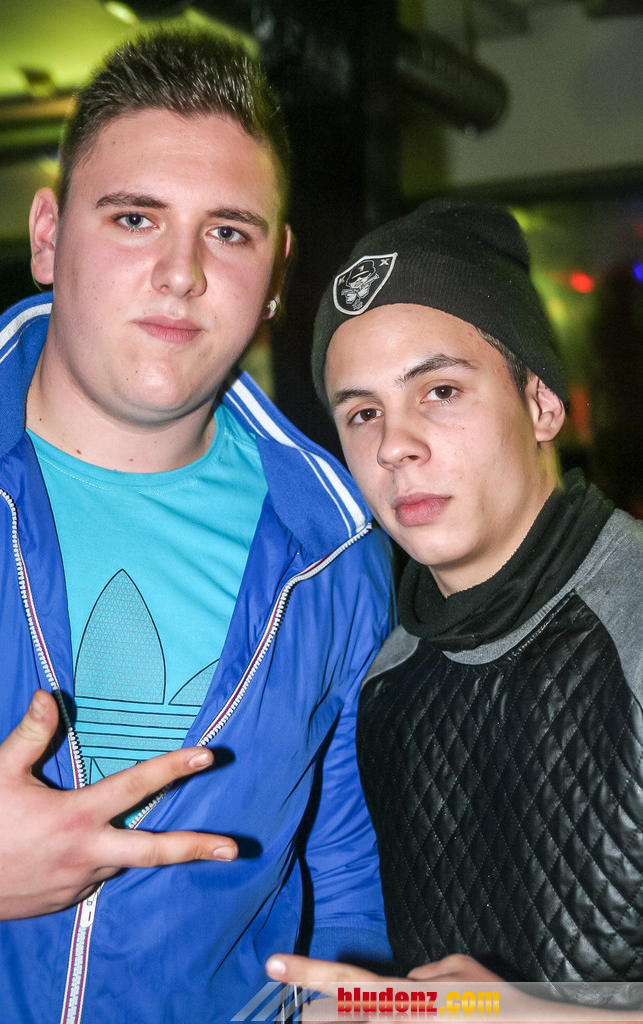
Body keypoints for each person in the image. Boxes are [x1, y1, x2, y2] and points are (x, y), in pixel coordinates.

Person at [0, 30, 394, 1024]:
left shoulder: (335, 551)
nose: (181, 272)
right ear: (47, 235)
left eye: (229, 232)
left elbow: (345, 894)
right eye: (135, 217)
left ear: (277, 271)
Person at [266, 199, 643, 1016]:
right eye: (363, 413)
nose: (394, 444)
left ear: (542, 403)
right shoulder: (381, 677)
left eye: (439, 390)